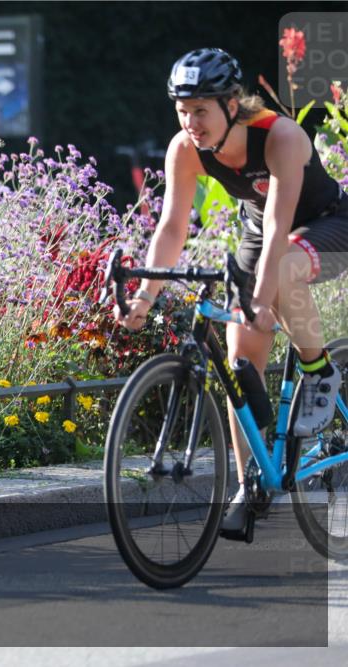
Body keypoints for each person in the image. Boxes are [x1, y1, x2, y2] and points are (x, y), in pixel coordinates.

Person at [116, 48, 348, 536]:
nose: (190, 122)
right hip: (262, 233)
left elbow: (282, 222)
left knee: (280, 270)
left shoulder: (280, 136)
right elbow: (173, 227)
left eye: (200, 110)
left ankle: (320, 372)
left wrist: (261, 298)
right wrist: (145, 295)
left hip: (327, 224)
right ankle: (251, 485)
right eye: (182, 110)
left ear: (231, 104)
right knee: (241, 366)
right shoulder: (185, 148)